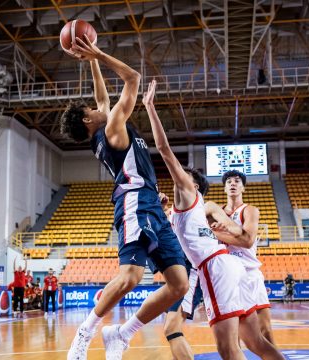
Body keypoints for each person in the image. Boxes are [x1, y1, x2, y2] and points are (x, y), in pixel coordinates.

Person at [61, 36, 188, 360]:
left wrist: (89, 59)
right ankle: (84, 333)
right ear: (90, 120)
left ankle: (122, 333)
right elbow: (132, 78)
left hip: (148, 202)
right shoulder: (114, 127)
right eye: (92, 109)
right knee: (131, 275)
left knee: (179, 284)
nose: (98, 106)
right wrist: (100, 53)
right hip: (134, 201)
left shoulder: (103, 130)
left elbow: (102, 97)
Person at [143, 79, 284, 360]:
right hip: (228, 267)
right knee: (253, 341)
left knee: (230, 347)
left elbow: (163, 148)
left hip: (218, 269)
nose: (177, 178)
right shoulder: (200, 209)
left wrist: (150, 108)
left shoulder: (200, 201)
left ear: (192, 187)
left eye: (185, 177)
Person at [212, 169, 275, 344]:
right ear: (224, 188)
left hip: (249, 273)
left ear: (243, 188)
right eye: (229, 181)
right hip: (226, 275)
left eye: (237, 181)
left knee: (265, 329)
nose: (233, 183)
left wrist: (215, 234)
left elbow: (247, 241)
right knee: (233, 332)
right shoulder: (215, 213)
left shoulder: (250, 210)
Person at [160, 192, 203, 360]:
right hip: (175, 276)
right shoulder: (174, 213)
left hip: (190, 273)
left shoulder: (196, 211)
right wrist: (161, 210)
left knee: (171, 328)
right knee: (172, 330)